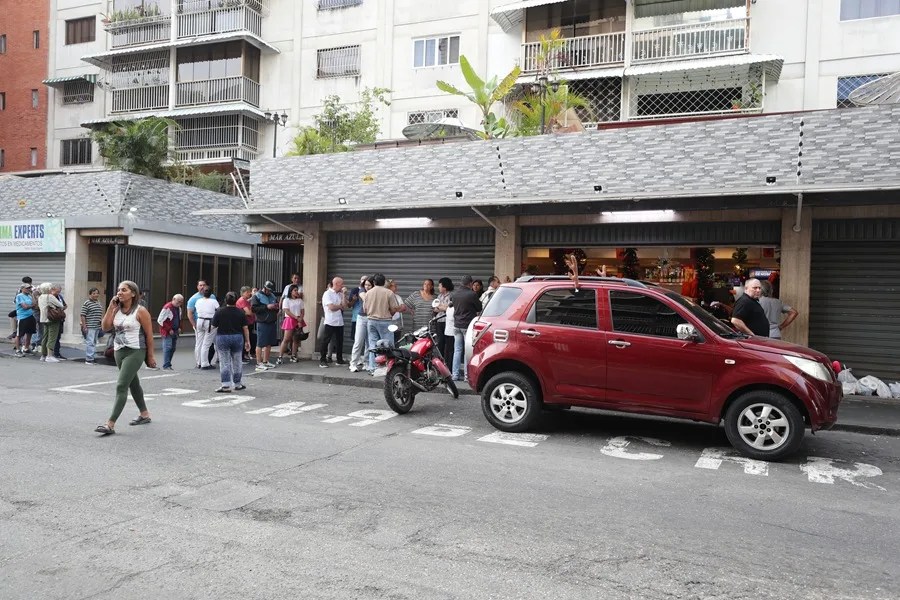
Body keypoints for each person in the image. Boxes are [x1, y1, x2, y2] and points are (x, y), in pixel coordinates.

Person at [94, 281, 157, 436]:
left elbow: (149, 335)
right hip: (119, 351)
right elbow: (105, 327)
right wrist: (110, 307)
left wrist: (150, 356)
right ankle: (144, 414)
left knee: (122, 385)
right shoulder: (116, 309)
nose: (120, 293)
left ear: (133, 293)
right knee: (133, 383)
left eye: (124, 290)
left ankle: (110, 424)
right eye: (118, 290)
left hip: (136, 351)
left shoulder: (141, 311)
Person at [212, 292, 251, 393]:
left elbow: (213, 326)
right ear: (236, 300)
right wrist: (247, 341)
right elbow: (245, 328)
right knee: (237, 361)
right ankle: (237, 383)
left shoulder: (219, 311)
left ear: (225, 300)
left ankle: (226, 384)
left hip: (222, 337)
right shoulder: (240, 312)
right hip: (237, 337)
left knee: (224, 361)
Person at [364, 273, 399, 374]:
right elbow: (394, 308)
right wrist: (390, 314)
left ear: (374, 282)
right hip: (385, 321)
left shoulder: (368, 293)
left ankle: (372, 368)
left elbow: (365, 309)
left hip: (371, 321)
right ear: (384, 282)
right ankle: (389, 368)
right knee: (388, 345)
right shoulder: (389, 293)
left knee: (372, 345)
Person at [450, 275, 481, 381]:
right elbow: (479, 307)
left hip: (456, 325)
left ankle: (455, 374)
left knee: (457, 350)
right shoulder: (472, 294)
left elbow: (451, 305)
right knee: (467, 351)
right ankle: (467, 376)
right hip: (467, 325)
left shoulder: (454, 294)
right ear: (470, 283)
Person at [319, 276, 348, 368]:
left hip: (339, 321)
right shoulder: (327, 294)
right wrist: (339, 306)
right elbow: (331, 307)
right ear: (336, 284)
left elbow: (345, 306)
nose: (342, 286)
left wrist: (343, 295)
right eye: (341, 284)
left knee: (340, 341)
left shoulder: (339, 294)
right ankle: (322, 360)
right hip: (330, 321)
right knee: (326, 340)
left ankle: (339, 359)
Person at [251, 281, 279, 371]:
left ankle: (265, 361)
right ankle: (258, 363)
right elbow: (254, 309)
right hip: (262, 321)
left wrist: (276, 307)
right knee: (260, 343)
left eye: (271, 290)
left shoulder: (272, 296)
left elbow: (276, 304)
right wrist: (267, 307)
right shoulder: (257, 296)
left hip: (271, 321)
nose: (270, 292)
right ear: (265, 288)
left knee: (269, 343)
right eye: (269, 290)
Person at [277, 284, 305, 364]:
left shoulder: (300, 300)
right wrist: (296, 317)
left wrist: (300, 320)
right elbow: (287, 311)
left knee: (296, 339)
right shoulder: (286, 300)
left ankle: (293, 355)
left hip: (298, 319)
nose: (297, 292)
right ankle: (280, 356)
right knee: (286, 339)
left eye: (297, 290)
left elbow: (303, 311)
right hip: (290, 319)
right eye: (295, 290)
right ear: (291, 291)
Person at [38, 283, 65, 363]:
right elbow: (61, 305)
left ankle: (43, 355)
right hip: (52, 319)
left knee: (45, 337)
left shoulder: (41, 297)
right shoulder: (50, 297)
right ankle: (49, 356)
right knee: (52, 337)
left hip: (43, 318)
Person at [349, 277, 372, 372]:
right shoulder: (362, 290)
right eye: (366, 284)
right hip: (361, 317)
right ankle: (353, 364)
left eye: (369, 285)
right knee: (358, 341)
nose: (367, 286)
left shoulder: (375, 291)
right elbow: (363, 296)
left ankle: (366, 362)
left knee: (369, 342)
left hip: (371, 317)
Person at [194, 286, 219, 369]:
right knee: (206, 344)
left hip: (199, 320)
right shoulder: (214, 301)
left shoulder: (198, 301)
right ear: (211, 293)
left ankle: (198, 362)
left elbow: (196, 309)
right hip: (209, 321)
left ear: (202, 293)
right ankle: (205, 363)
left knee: (199, 343)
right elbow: (218, 311)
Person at [156, 294, 184, 370]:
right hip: (167, 331)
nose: (179, 303)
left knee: (172, 348)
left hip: (175, 330)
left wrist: (179, 327)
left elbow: (179, 319)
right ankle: (166, 365)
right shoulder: (167, 307)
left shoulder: (179, 308)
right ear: (173, 299)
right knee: (168, 347)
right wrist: (169, 329)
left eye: (181, 302)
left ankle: (168, 364)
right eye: (178, 301)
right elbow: (160, 320)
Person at [433, 277, 454, 369]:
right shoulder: (439, 296)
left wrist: (441, 307)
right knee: (440, 343)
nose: (438, 287)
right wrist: (443, 307)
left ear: (445, 287)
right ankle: (440, 365)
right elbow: (435, 308)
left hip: (448, 323)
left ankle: (449, 366)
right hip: (439, 322)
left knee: (449, 344)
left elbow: (449, 308)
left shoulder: (451, 296)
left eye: (440, 285)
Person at [80, 287, 104, 365]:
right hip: (90, 326)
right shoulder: (87, 303)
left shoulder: (98, 302)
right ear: (90, 294)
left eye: (97, 293)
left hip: (97, 326)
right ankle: (89, 359)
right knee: (90, 342)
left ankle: (92, 357)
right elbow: (83, 315)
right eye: (94, 293)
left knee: (94, 342)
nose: (96, 295)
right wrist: (84, 326)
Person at [13, 283, 37, 358]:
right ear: (22, 289)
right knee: (19, 334)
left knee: (30, 332)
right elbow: (25, 307)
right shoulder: (19, 296)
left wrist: (32, 294)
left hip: (30, 316)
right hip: (22, 317)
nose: (29, 289)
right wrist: (32, 306)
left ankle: (26, 348)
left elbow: (35, 304)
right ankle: (17, 350)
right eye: (27, 288)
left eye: (29, 288)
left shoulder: (29, 296)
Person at [236, 286, 256, 363]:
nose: (249, 293)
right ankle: (242, 356)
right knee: (244, 339)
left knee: (248, 338)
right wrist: (253, 312)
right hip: (244, 323)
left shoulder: (246, 300)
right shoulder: (242, 301)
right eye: (248, 292)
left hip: (249, 322)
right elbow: (249, 312)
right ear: (243, 293)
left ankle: (245, 354)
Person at [386, 279, 408, 345]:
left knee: (397, 341)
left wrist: (395, 309)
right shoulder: (385, 296)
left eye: (396, 286)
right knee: (388, 341)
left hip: (397, 322)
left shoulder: (398, 297)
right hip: (388, 322)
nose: (395, 287)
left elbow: (403, 308)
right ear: (388, 287)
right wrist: (398, 308)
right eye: (393, 286)